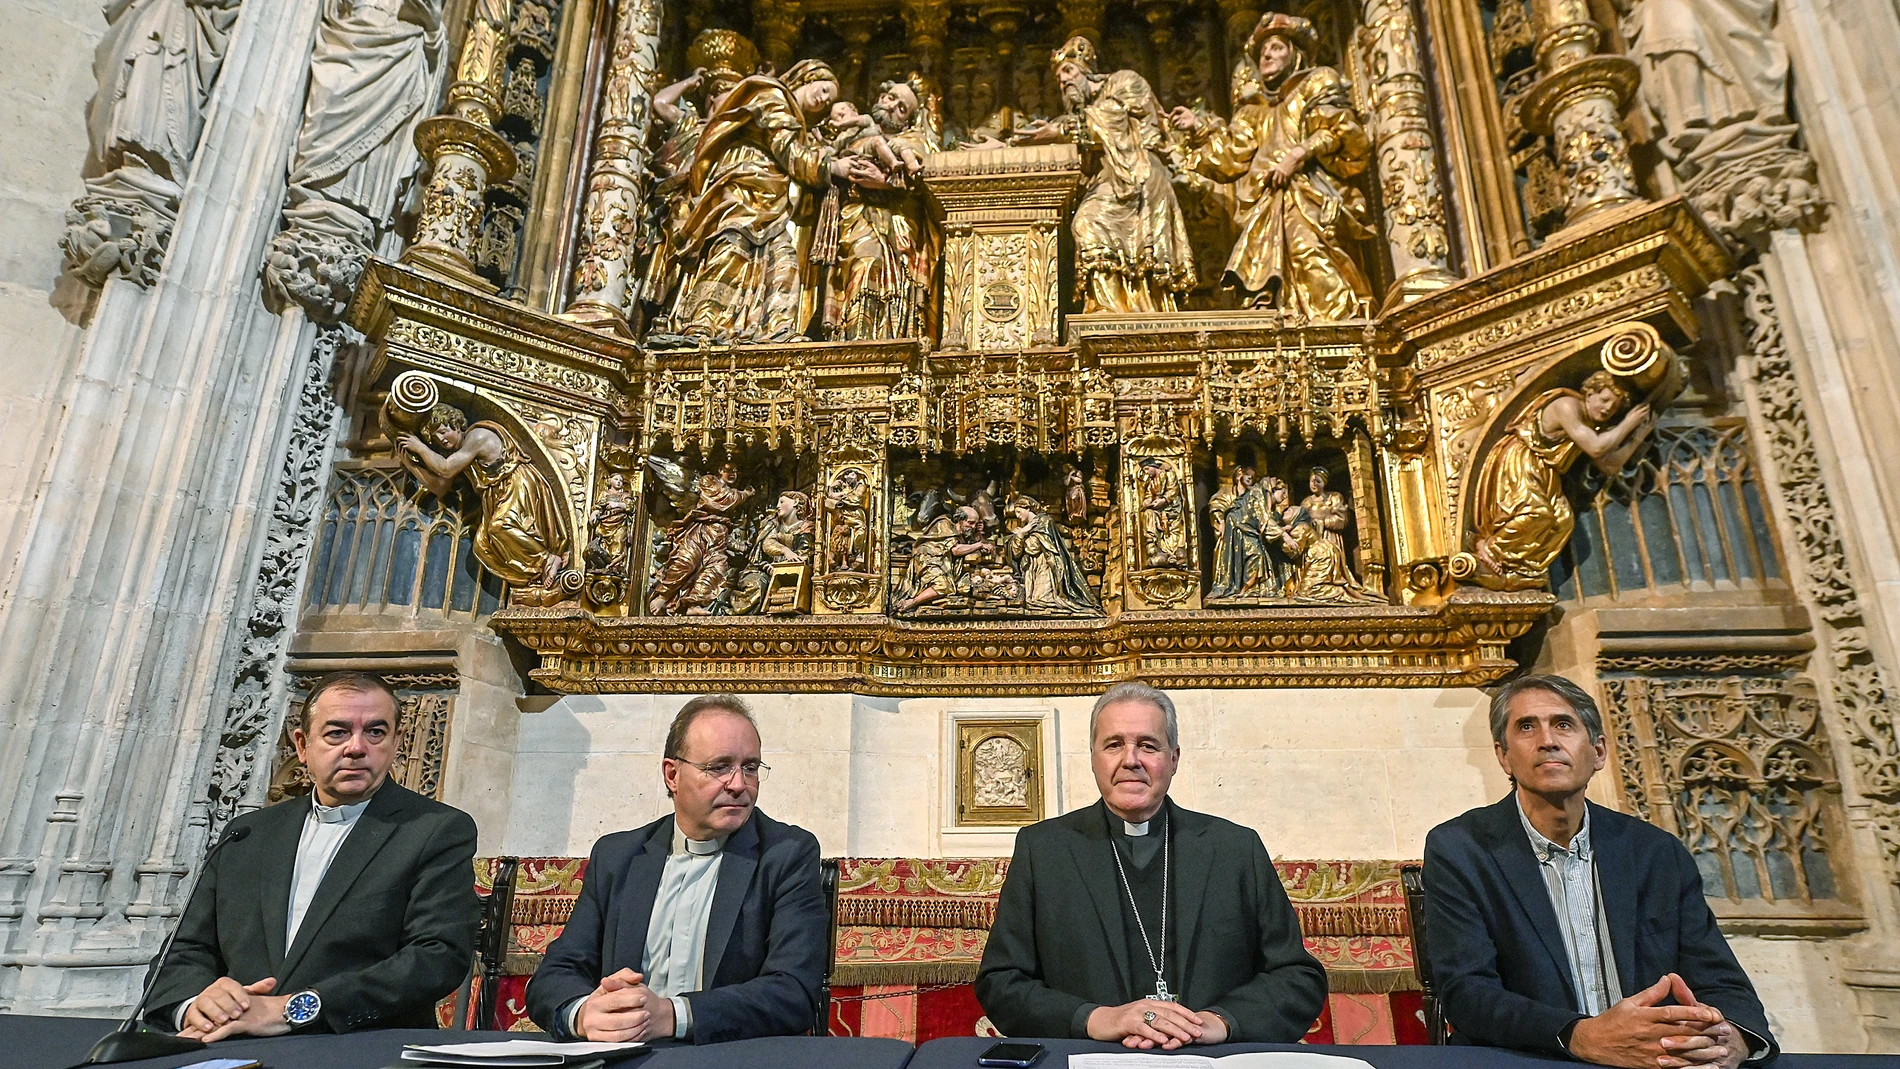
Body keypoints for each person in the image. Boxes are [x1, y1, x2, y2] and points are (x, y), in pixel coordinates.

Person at [1424, 674, 1778, 1066]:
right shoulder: (1461, 848)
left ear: (1598, 751)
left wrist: (1733, 1040)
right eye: (1526, 727)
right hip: (1530, 1058)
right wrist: (1580, 1036)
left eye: (1563, 724)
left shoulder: (1655, 852)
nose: (1547, 741)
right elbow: (1467, 993)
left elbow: (1722, 982)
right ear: (1503, 756)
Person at [977, 683, 1326, 1046]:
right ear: (1094, 759)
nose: (1131, 759)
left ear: (1174, 758)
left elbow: (1297, 978)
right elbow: (1001, 982)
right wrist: (1096, 1018)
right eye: (1114, 745)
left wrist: (1221, 1021)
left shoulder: (1235, 849)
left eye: (1148, 745)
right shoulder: (1043, 851)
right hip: (1090, 1058)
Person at [145, 672, 478, 1039]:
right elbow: (185, 949)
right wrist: (198, 1006)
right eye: (336, 732)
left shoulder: (434, 830)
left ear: (397, 741)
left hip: (357, 1047)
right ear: (302, 745)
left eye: (375, 732)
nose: (356, 747)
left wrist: (293, 1009)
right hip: (228, 1044)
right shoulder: (248, 833)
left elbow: (437, 956)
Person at [527, 695, 828, 1043]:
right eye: (719, 767)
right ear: (672, 774)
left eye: (750, 767)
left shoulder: (785, 854)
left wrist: (672, 1015)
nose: (738, 785)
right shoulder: (618, 856)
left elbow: (793, 993)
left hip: (726, 1056)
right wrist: (583, 1015)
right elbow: (555, 974)